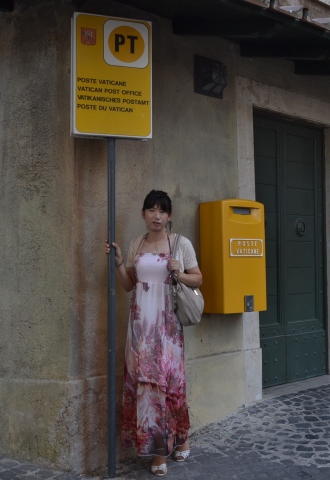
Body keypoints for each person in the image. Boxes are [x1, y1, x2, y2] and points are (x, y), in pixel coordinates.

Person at [105, 190, 202, 477]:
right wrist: (119, 263)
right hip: (140, 328)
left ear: (169, 216)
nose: (156, 216)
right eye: (151, 210)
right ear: (143, 214)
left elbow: (198, 278)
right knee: (145, 386)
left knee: (168, 385)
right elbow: (128, 285)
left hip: (167, 328)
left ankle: (168, 447)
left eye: (162, 211)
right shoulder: (136, 244)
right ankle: (167, 443)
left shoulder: (180, 243)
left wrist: (179, 273)